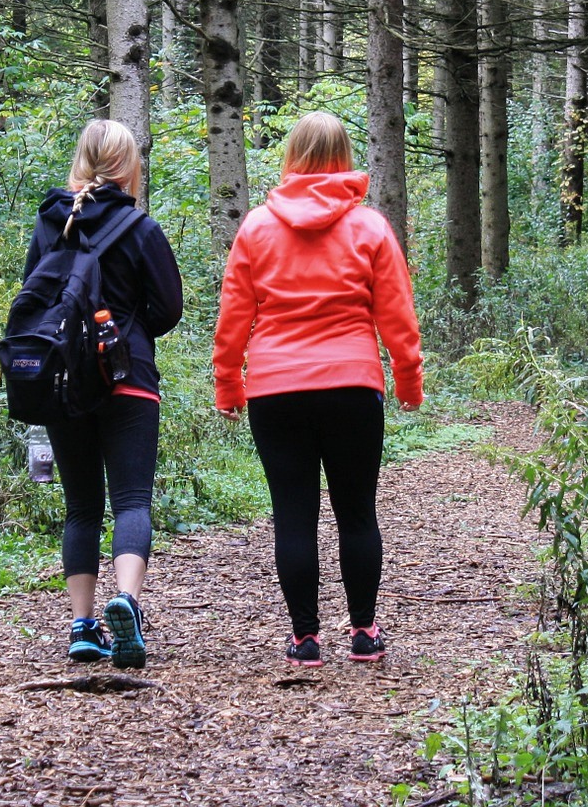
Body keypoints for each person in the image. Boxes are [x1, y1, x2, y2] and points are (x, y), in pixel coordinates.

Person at [212, 112, 424, 666]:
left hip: (275, 390)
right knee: (357, 513)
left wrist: (228, 384)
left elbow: (234, 317)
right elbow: (396, 314)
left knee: (293, 513)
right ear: (345, 158)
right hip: (352, 386)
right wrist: (408, 379)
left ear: (292, 156)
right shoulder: (370, 227)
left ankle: (306, 638)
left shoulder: (257, 227)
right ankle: (364, 632)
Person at [23, 119, 182, 668]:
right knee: (132, 499)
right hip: (128, 376)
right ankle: (128, 604)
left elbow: (34, 301)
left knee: (82, 507)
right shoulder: (139, 227)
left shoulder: (50, 222)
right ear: (128, 165)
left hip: (65, 382)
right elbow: (169, 310)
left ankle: (82, 626)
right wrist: (128, 327)